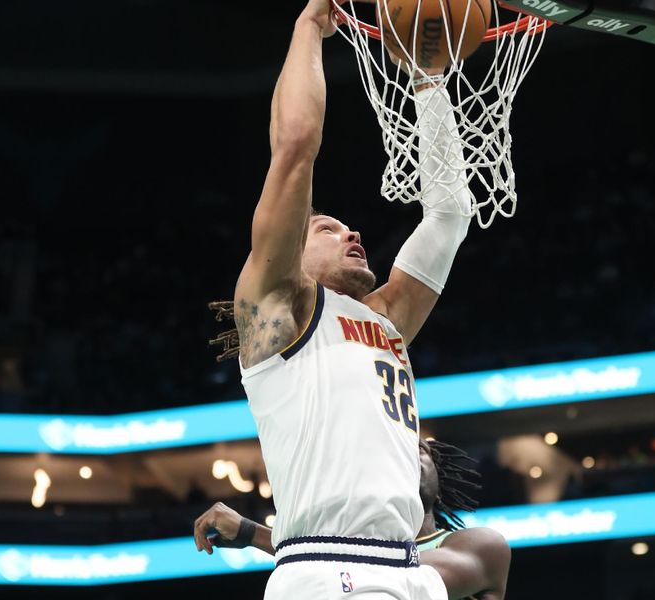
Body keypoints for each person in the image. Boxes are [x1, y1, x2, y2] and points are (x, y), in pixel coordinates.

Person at [204, 0, 472, 596]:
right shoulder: (279, 311)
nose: (352, 233)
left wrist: (427, 81)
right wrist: (309, 26)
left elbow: (450, 214)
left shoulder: (386, 317)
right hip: (328, 572)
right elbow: (295, 144)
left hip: (406, 569)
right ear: (288, 253)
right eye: (327, 228)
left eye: (349, 227)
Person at [194, 438, 510, 600]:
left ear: (439, 483)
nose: (399, 455)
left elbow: (385, 577)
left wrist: (254, 534)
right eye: (388, 451)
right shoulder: (341, 559)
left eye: (415, 449)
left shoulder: (483, 546)